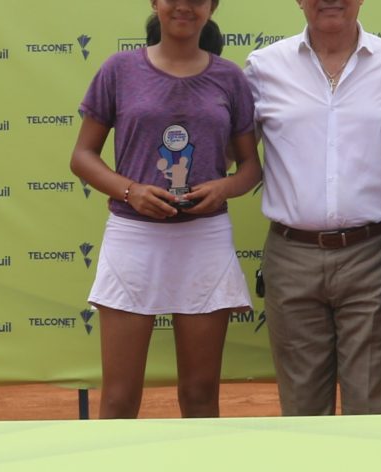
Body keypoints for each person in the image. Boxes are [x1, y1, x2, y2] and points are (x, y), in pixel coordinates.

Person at [70, 0, 262, 419]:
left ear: (211, 7)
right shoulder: (119, 69)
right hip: (133, 235)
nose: (184, 6)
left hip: (204, 238)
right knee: (119, 398)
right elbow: (82, 156)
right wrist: (130, 191)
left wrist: (224, 188)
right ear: (155, 3)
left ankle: (197, 465)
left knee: (200, 395)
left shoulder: (230, 77)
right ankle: (113, 467)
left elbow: (251, 166)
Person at [244, 0, 381, 416]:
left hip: (375, 255)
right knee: (302, 410)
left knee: (373, 408)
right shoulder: (262, 67)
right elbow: (231, 155)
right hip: (291, 258)